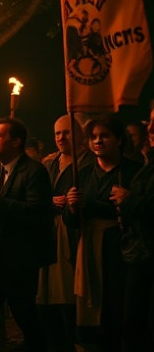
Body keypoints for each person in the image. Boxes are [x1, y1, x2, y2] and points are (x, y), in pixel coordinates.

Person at [0, 117, 54, 352]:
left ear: (16, 142)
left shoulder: (34, 171)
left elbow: (37, 212)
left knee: (23, 313)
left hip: (19, 257)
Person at [66, 115, 142, 350]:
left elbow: (137, 211)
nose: (98, 141)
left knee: (118, 306)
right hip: (89, 247)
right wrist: (71, 207)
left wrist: (92, 204)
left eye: (104, 136)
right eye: (93, 137)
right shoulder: (83, 173)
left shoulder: (133, 172)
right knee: (91, 307)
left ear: (119, 139)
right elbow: (73, 220)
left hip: (120, 249)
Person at [38, 115, 92, 352]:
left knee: (68, 292)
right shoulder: (49, 163)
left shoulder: (88, 163)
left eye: (67, 132)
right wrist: (49, 201)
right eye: (58, 133)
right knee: (46, 294)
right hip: (49, 232)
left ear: (79, 134)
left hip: (72, 235)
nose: (61, 138)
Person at [112, 107, 154, 351]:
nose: (150, 129)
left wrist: (129, 200)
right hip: (140, 254)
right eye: (149, 121)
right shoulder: (147, 164)